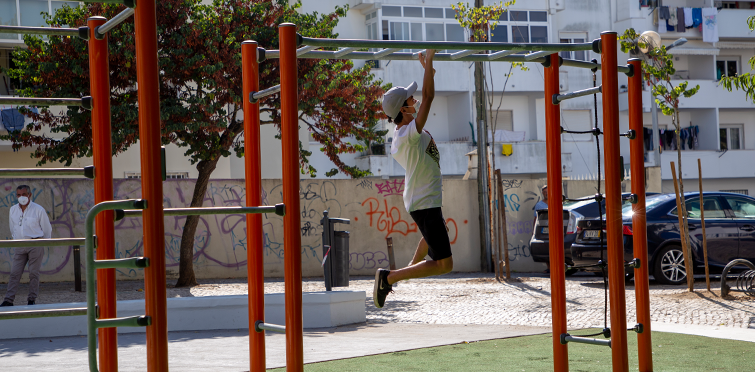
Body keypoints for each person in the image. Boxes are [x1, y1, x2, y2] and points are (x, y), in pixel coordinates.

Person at [373, 49, 453, 309]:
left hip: (424, 200)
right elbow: (429, 97)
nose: (415, 99)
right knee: (444, 264)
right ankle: (389, 277)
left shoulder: (404, 132)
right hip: (424, 201)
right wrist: (428, 61)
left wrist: (429, 69)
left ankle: (403, 273)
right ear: (404, 108)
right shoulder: (408, 134)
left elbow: (426, 93)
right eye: (410, 98)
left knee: (433, 243)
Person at [1, 185, 52, 306]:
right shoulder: (13, 210)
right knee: (15, 273)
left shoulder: (38, 209)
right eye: (18, 195)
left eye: (24, 194)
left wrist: (43, 242)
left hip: (35, 243)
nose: (21, 197)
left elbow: (46, 228)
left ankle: (31, 299)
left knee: (34, 273)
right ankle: (8, 300)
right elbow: (12, 226)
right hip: (20, 244)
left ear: (29, 195)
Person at [533, 185, 550, 274]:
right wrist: (534, 231)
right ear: (542, 193)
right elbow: (536, 219)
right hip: (544, 230)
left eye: (548, 191)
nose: (546, 193)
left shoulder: (557, 202)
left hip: (555, 229)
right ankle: (549, 267)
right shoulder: (539, 205)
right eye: (545, 192)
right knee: (546, 248)